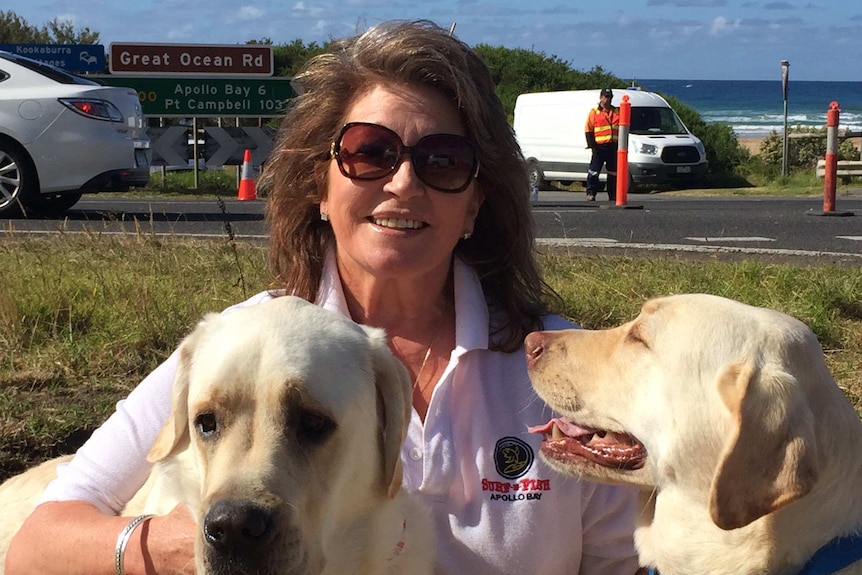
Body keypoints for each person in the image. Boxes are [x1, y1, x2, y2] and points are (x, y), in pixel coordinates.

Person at [6, 21, 641, 575]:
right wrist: (167, 545)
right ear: (320, 183)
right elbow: (36, 546)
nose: (402, 182)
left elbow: (624, 565)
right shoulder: (237, 345)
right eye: (370, 153)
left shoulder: (562, 371)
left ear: (476, 200)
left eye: (443, 161)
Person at [585, 87, 620, 202]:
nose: (608, 99)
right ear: (601, 97)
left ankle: (613, 195)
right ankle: (591, 193)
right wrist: (592, 146)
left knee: (613, 173)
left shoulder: (617, 112)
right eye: (606, 97)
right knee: (594, 172)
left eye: (610, 97)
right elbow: (588, 129)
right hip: (599, 147)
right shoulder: (594, 113)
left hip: (613, 146)